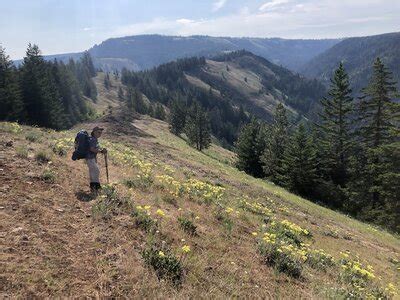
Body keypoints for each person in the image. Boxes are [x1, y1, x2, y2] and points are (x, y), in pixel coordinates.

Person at [86, 126, 107, 192]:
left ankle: (93, 186)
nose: (100, 134)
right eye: (98, 132)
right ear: (94, 132)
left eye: (101, 133)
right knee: (96, 171)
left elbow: (95, 148)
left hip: (91, 158)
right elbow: (92, 149)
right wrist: (101, 151)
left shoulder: (93, 139)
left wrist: (101, 150)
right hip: (90, 158)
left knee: (93, 171)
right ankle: (96, 186)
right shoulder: (93, 139)